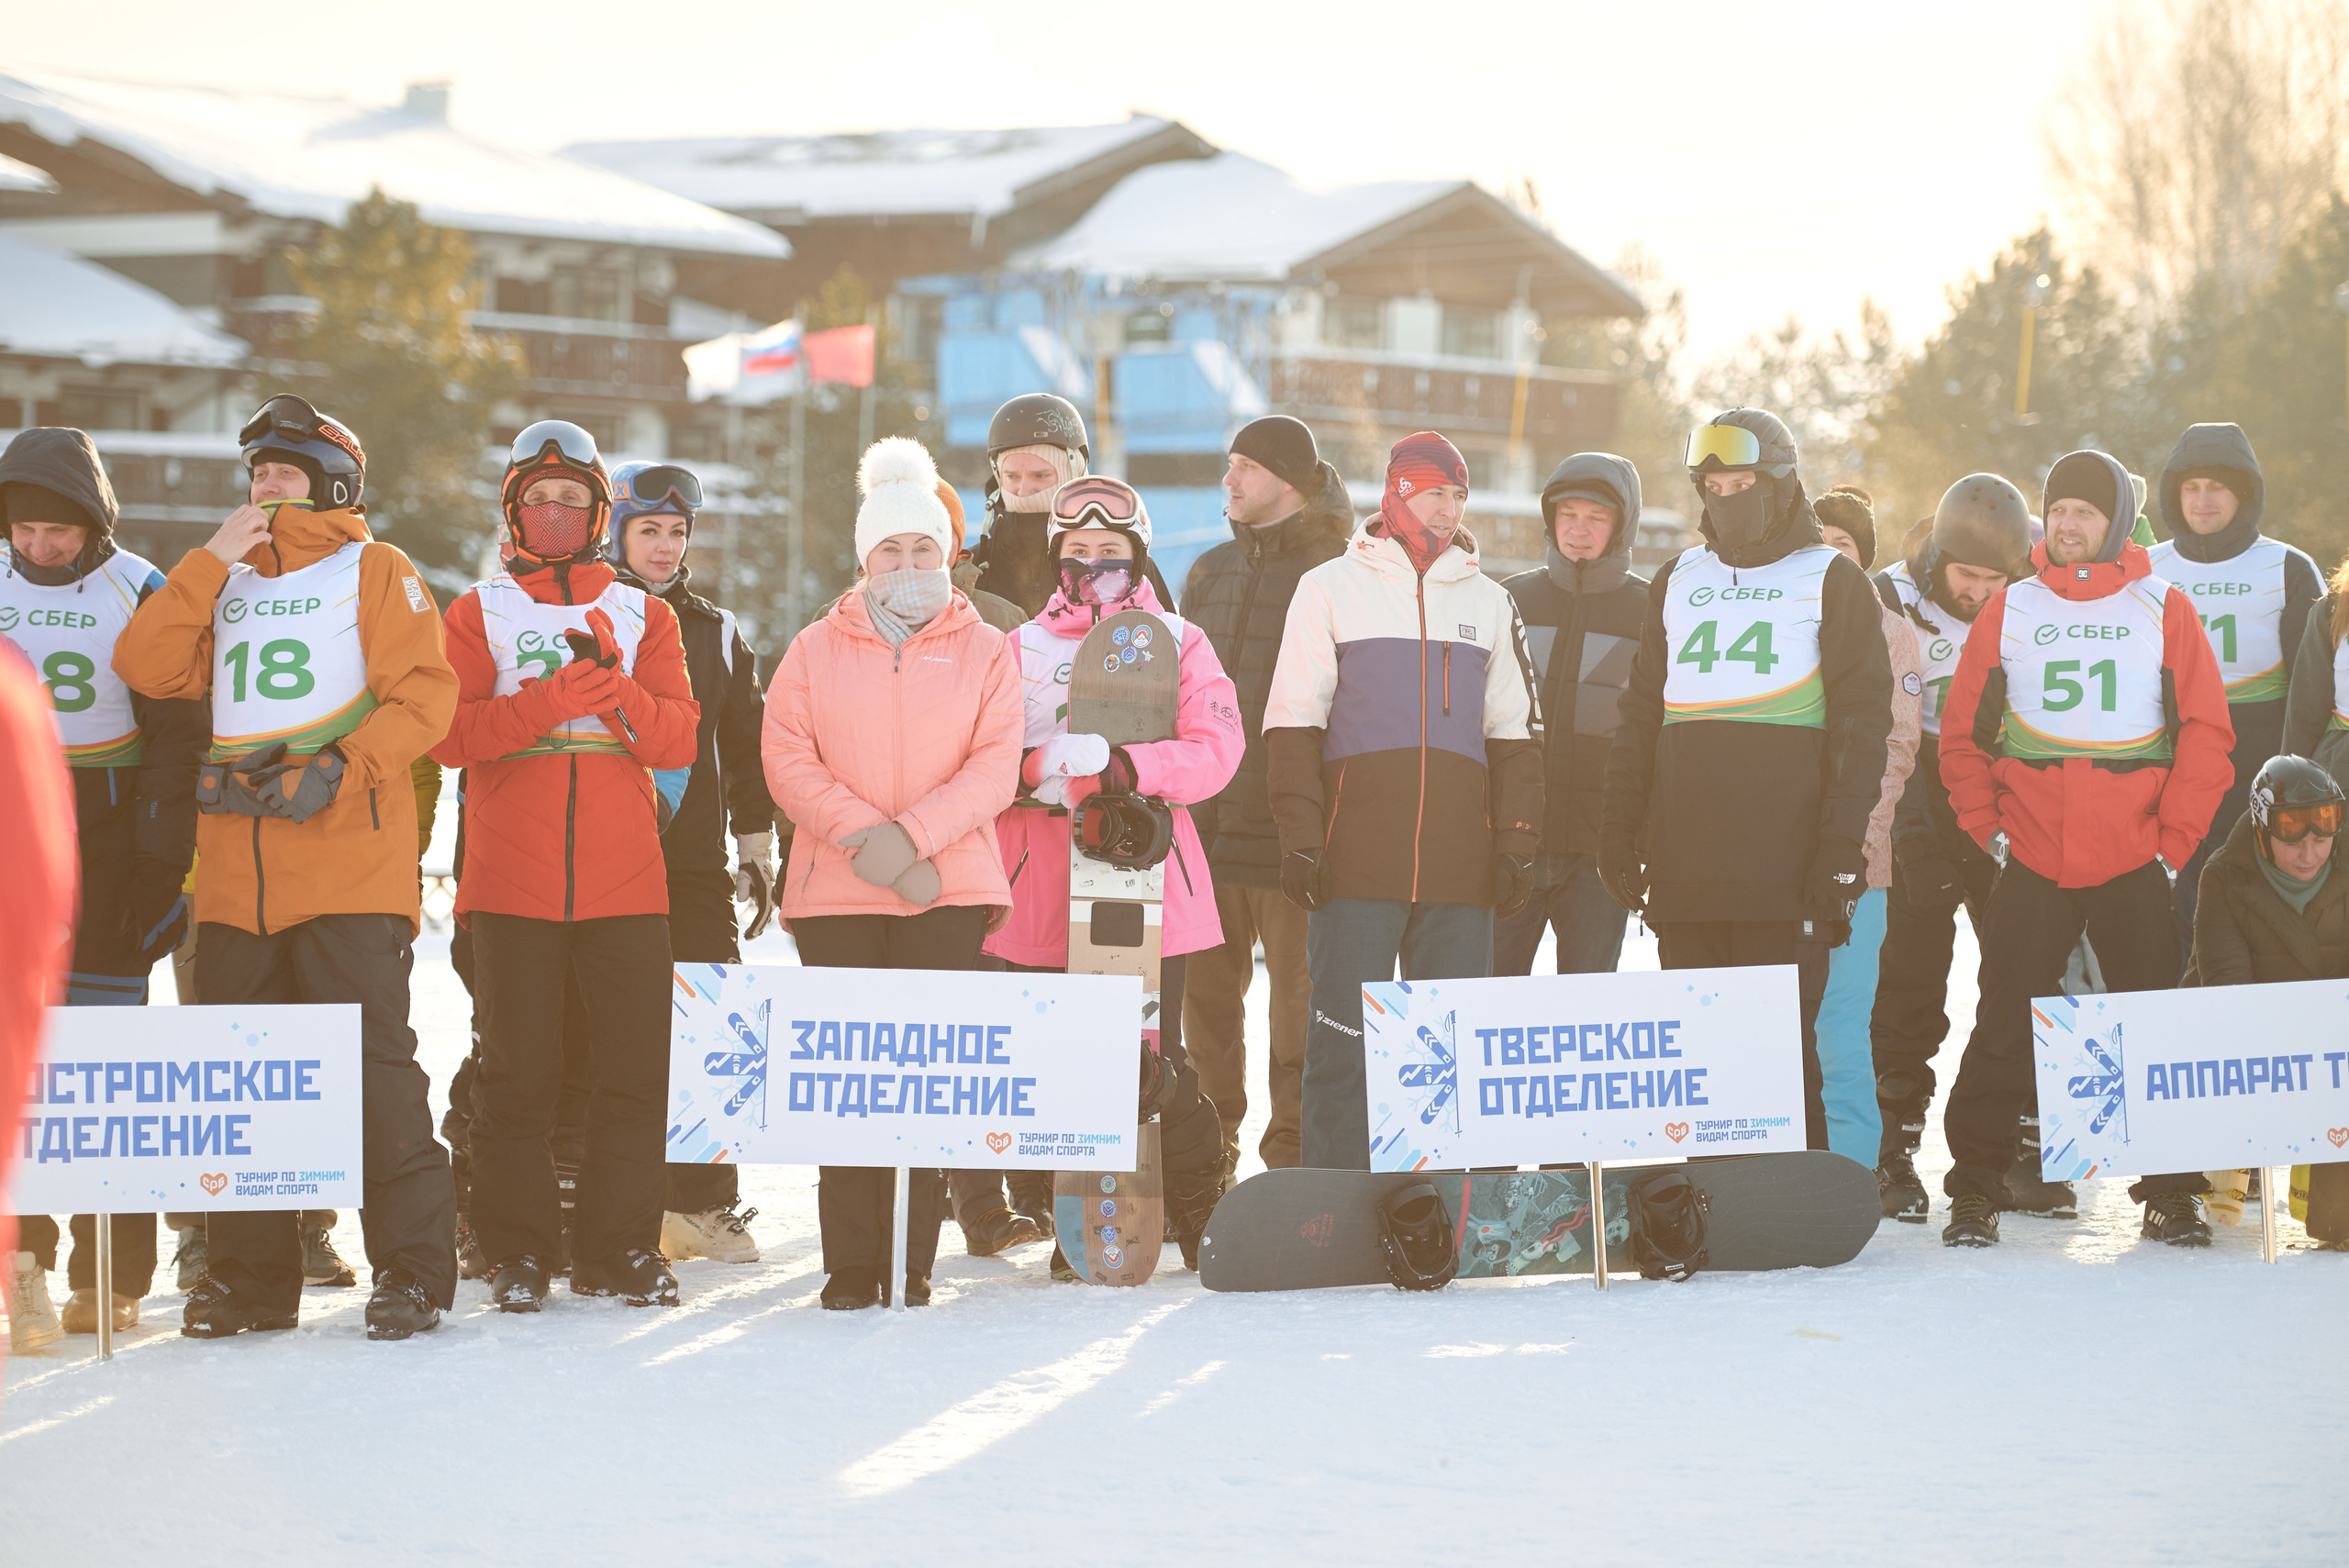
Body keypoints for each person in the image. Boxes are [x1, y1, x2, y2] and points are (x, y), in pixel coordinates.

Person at [113, 394, 459, 1340]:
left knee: (374, 1074)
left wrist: (341, 768)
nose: (266, 484)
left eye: (285, 470)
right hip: (234, 880)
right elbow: (146, 665)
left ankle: (414, 1272)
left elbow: (427, 697)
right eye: (258, 471)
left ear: (334, 480)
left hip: (348, 870)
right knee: (240, 1086)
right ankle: (251, 1282)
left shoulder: (377, 567)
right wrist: (207, 558)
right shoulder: (220, 581)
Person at [432, 422, 700, 1312]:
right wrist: (553, 698)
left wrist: (611, 690)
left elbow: (675, 733)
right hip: (510, 881)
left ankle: (620, 1245)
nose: (555, 514)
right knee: (518, 1074)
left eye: (572, 501)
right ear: (514, 508)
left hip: (625, 881)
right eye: (538, 500)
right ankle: (516, 1249)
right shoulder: (477, 609)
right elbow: (449, 735)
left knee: (632, 1069)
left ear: (596, 514)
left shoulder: (642, 611)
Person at [1936, 448, 2234, 1247]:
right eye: (2058, 509)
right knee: (2002, 1021)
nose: (2068, 525)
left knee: (2151, 1027)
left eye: (2086, 513)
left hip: (2135, 855)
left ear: (2114, 524)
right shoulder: (2014, 605)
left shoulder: (2161, 604)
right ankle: (1975, 1187)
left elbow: (2208, 732)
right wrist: (1989, 827)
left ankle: (2172, 1192)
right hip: (2033, 855)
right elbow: (1963, 733)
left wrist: (2173, 842)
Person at [762, 437, 1023, 1308]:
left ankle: (910, 1261)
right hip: (837, 891)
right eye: (890, 550)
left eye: (923, 548)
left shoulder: (987, 649)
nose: (908, 564)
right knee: (852, 1085)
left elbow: (996, 766)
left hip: (945, 891)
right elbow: (787, 757)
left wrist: (910, 837)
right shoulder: (812, 648)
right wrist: (859, 834)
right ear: (865, 558)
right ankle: (849, 1264)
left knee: (921, 1081)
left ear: (947, 554)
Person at [1599, 410, 1893, 1151]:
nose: (1727, 497)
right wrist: (1618, 827)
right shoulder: (1678, 577)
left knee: (1778, 1054)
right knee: (1698, 1054)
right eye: (1714, 484)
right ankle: (1702, 1197)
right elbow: (1640, 713)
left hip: (1787, 870)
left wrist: (1840, 846)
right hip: (1688, 869)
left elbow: (1865, 729)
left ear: (1782, 484)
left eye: (1744, 483)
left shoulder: (1832, 579)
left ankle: (1798, 1200)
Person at [1264, 431, 1542, 1172]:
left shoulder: (1490, 601)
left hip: (1460, 868)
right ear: (1396, 492)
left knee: (1445, 1049)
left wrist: (1515, 840)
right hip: (1354, 862)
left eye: (1458, 495)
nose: (1447, 510)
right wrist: (1300, 836)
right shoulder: (1330, 587)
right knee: (1342, 1043)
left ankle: (1441, 1202)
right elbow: (1292, 720)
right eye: (1433, 493)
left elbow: (1515, 734)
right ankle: (1333, 1197)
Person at [988, 473, 1242, 1268]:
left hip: (1141, 863)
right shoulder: (1022, 647)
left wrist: (1127, 764)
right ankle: (1087, 1213)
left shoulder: (1179, 639)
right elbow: (978, 755)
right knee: (1064, 1048)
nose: (1092, 564)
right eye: (1077, 551)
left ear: (1137, 557)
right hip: (1042, 877)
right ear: (1055, 557)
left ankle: (1197, 1188)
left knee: (1144, 1051)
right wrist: (1035, 766)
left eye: (1110, 551)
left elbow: (1217, 749)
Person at [2, 428, 203, 1350]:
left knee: (106, 1069)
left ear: (94, 524)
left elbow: (176, 734)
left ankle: (111, 1271)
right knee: (22, 1070)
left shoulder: (140, 587)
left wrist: (164, 865)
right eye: (27, 530)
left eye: (60, 531)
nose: (42, 547)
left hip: (114, 839)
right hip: (15, 832)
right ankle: (25, 1267)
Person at [596, 460, 781, 1265]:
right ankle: (584, 1198)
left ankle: (700, 1205)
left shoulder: (713, 630)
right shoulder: (578, 614)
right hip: (597, 860)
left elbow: (746, 746)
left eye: (677, 532)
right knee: (597, 1031)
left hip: (691, 864)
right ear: (616, 534)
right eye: (649, 531)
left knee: (710, 1027)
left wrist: (754, 840)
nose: (666, 546)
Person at [1180, 416, 1352, 1173]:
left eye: (1244, 466)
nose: (1230, 479)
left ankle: (1292, 1158)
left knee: (1299, 1018)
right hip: (1208, 837)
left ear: (1286, 477)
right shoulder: (1209, 573)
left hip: (1296, 839)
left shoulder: (1341, 573)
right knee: (1207, 1016)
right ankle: (1210, 1154)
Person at [1868, 474, 2034, 1219]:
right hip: (1912, 789)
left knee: (2023, 968)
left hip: (1996, 790)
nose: (1978, 592)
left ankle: (2019, 1142)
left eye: (1994, 580)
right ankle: (1893, 1146)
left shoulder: (2031, 601)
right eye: (1967, 576)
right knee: (1909, 976)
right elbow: (1879, 729)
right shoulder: (1890, 595)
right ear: (1939, 556)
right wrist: (1908, 835)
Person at [2148, 426, 2323, 962]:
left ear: (2244, 493)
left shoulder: (2287, 567)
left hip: (2259, 775)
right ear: (2174, 494)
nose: (2202, 500)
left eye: (2217, 488)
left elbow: (2316, 685)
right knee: (2174, 918)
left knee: (2261, 921)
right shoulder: (2147, 570)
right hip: (2169, 774)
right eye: (2191, 487)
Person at [2183, 755, 2349, 1244]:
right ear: (2261, 830)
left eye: (2323, 840)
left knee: (2337, 1225)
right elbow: (2228, 985)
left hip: (2333, 1042)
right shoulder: (2223, 877)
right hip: (2255, 1036)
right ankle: (2228, 1166)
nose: (2310, 856)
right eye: (2293, 842)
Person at [1497, 452, 1649, 978]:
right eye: (1568, 515)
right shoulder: (1510, 600)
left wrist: (1637, 839)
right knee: (1489, 1004)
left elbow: (1656, 735)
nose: (1579, 531)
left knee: (1588, 1017)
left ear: (1622, 526)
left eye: (1596, 518)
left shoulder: (1651, 612)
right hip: (1512, 844)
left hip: (1599, 855)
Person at [1804, 487, 1921, 1168]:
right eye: (1814, 541)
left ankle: (1850, 1168)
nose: (1827, 554)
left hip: (1857, 865)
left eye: (1841, 544)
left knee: (1839, 1027)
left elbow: (1894, 750)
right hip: (1772, 862)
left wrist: (1853, 843)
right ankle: (1776, 1161)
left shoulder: (1888, 631)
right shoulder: (1782, 618)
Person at [963, 394, 1174, 617]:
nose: (1024, 490)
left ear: (1073, 474)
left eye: (1041, 475)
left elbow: (1168, 643)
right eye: (1012, 477)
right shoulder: (975, 570)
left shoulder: (1122, 563)